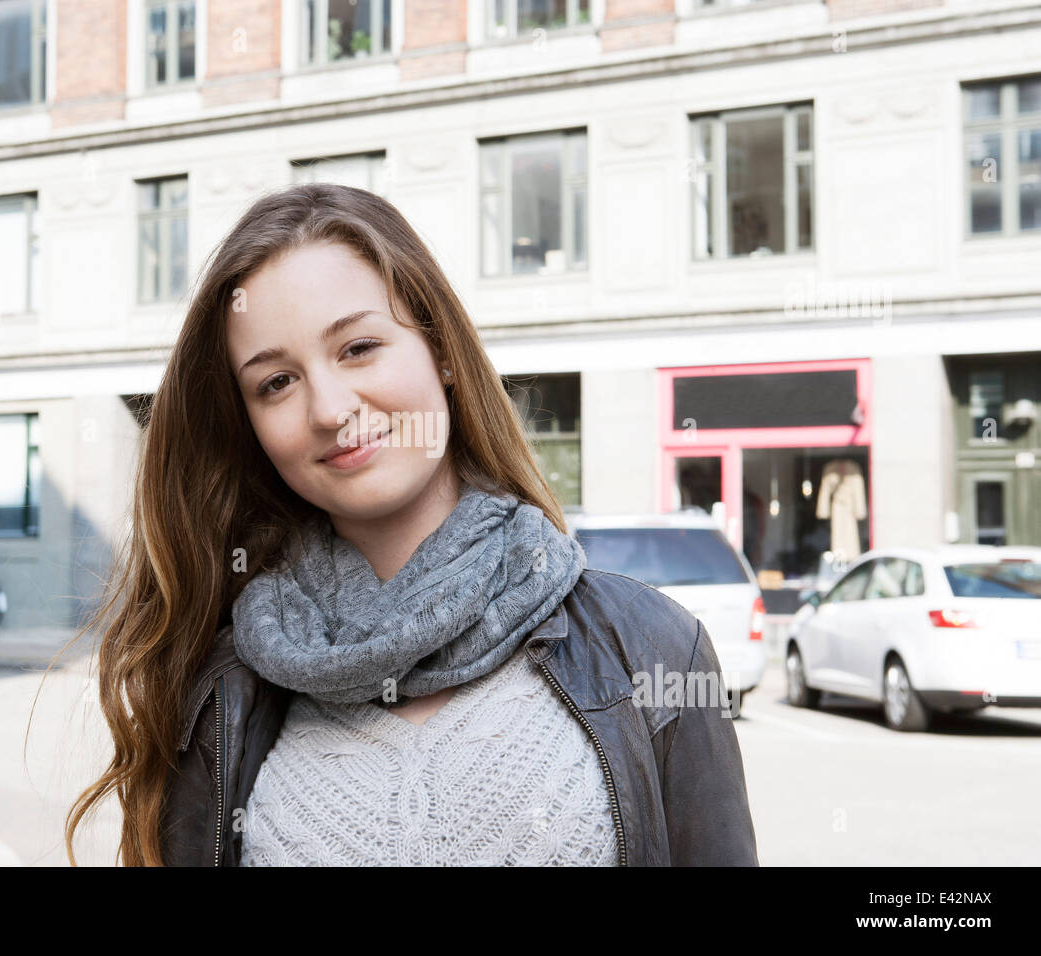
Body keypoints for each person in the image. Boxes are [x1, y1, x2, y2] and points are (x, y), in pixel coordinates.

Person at [64, 183, 758, 867]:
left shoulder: (653, 648)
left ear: (443, 350)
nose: (330, 408)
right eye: (276, 382)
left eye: (359, 347)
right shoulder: (220, 693)